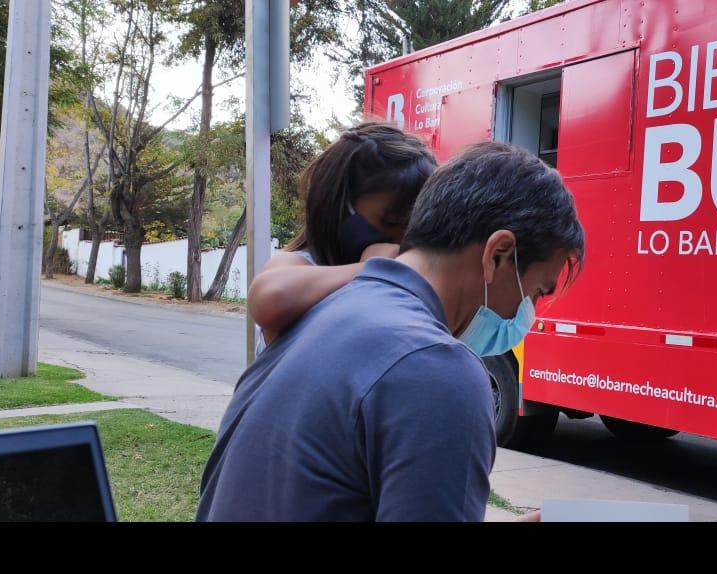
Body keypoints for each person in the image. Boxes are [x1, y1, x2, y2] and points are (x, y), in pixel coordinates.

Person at [198, 142, 584, 522]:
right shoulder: (438, 369)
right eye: (535, 291)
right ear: (498, 253)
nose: (524, 312)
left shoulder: (320, 312)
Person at [249, 122, 437, 354]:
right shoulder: (302, 263)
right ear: (336, 208)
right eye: (389, 223)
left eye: (412, 227)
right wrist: (374, 268)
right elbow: (271, 297)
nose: (399, 240)